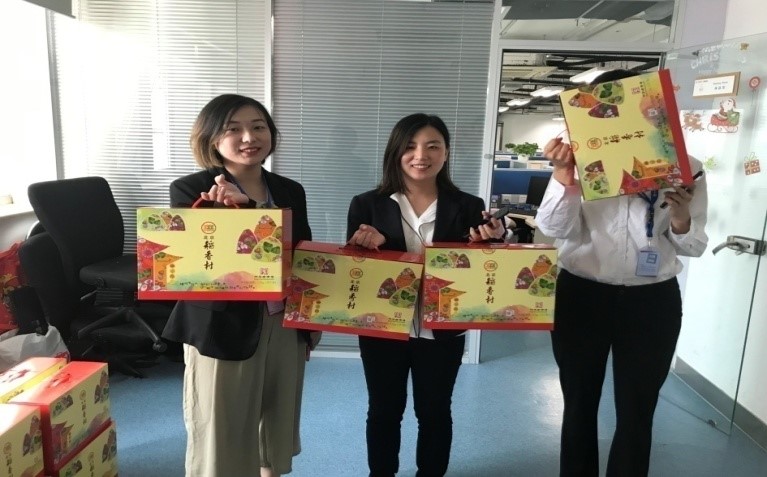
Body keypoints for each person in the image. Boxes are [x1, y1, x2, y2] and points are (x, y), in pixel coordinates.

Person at [535, 70, 709, 477]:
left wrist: (681, 216)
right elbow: (555, 229)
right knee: (578, 404)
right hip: (582, 294)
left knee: (637, 409)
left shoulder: (685, 166)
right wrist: (564, 177)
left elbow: (694, 245)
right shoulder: (578, 159)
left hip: (651, 301)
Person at [162, 94, 319, 477]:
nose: (249, 137)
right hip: (222, 325)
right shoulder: (192, 190)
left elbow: (301, 255)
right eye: (234, 129)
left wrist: (310, 324)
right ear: (213, 138)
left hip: (283, 322)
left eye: (258, 126)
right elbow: (202, 265)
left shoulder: (290, 189)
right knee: (222, 429)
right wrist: (240, 212)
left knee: (277, 421)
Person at [346, 113, 506, 477]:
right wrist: (374, 244)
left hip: (443, 329)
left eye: (433, 146)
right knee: (384, 410)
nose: (421, 155)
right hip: (383, 328)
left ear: (446, 153)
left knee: (434, 411)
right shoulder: (367, 204)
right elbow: (356, 268)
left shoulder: (468, 205)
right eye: (410, 146)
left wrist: (492, 240)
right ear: (395, 152)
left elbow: (481, 267)